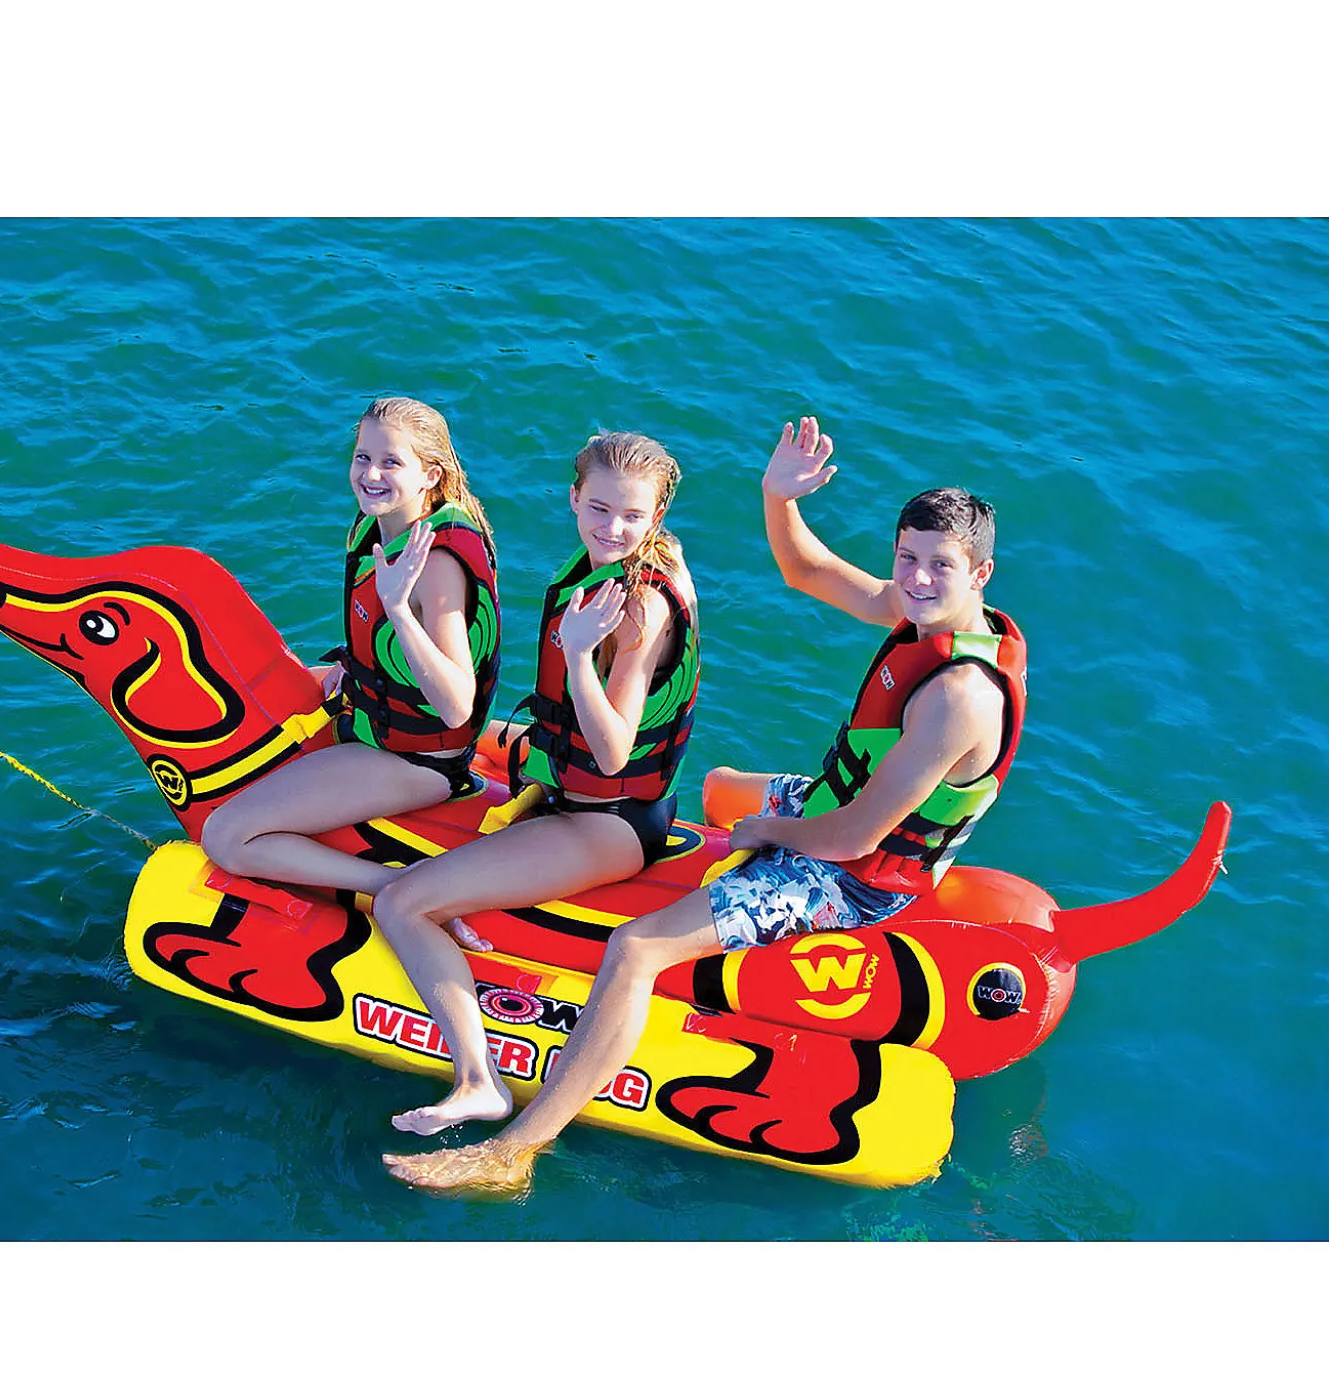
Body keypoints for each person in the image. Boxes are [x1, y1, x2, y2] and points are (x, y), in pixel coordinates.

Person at [382, 414, 1026, 1194]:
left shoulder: (960, 696)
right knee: (719, 787)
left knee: (635, 950)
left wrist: (767, 832)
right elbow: (809, 571)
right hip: (834, 800)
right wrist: (779, 497)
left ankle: (514, 1150)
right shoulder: (926, 616)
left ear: (980, 575)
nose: (917, 579)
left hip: (855, 878)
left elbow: (856, 836)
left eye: (939, 566)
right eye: (908, 558)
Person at [370, 431, 700, 1137]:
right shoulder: (614, 568)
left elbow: (612, 752)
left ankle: (477, 1081)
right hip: (566, 793)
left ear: (657, 517)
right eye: (600, 509)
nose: (613, 528)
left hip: (609, 821)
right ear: (574, 498)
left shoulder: (640, 608)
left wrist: (578, 656)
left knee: (400, 903)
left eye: (633, 516)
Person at [200, 396, 500, 929]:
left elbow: (456, 705)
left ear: (430, 475)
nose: (371, 474)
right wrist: (359, 670)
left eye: (391, 462)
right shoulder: (382, 527)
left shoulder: (434, 565)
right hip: (374, 717)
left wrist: (398, 607)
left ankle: (397, 885)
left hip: (419, 762)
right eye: (363, 457)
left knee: (225, 837)